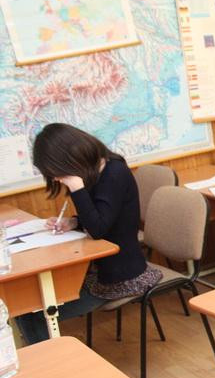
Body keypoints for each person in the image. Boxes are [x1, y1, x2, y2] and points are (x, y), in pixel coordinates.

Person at [16, 124, 162, 344]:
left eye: (55, 171)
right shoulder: (93, 172)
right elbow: (103, 217)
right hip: (99, 270)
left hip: (122, 277)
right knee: (26, 305)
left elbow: (98, 229)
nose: (55, 179)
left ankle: (52, 363)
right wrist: (73, 222)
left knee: (33, 316)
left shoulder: (114, 172)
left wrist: (77, 188)